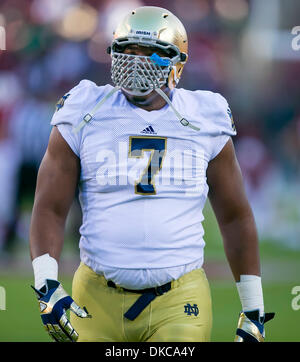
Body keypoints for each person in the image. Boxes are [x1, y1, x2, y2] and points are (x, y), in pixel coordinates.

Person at [29, 6, 274, 342]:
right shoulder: (84, 108)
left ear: (177, 62)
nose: (136, 61)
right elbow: (49, 207)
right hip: (95, 298)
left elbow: (234, 217)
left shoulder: (205, 115)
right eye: (128, 51)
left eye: (150, 53)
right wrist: (46, 283)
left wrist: (254, 310)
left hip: (179, 299)